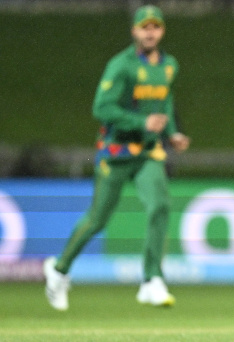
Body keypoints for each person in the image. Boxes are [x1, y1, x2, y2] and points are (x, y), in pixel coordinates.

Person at [44, 5, 190, 311]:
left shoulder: (169, 65)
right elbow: (101, 108)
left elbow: (165, 101)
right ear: (134, 31)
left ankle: (151, 280)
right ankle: (58, 270)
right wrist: (141, 123)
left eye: (156, 27)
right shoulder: (121, 66)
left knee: (160, 205)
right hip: (116, 152)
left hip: (149, 152)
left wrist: (172, 133)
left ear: (162, 31)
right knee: (97, 219)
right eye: (144, 27)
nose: (150, 32)